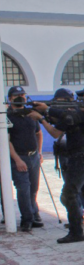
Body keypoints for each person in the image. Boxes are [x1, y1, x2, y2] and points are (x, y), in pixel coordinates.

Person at [36, 88, 84, 243]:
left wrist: (42, 118)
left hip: (80, 158)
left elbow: (56, 133)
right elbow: (61, 124)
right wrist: (46, 114)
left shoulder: (74, 113)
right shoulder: (72, 114)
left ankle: (76, 231)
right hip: (81, 157)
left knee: (69, 195)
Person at [6, 86, 43, 232]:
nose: (21, 97)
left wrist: (39, 152)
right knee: (23, 189)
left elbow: (39, 133)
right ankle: (27, 219)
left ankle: (35, 214)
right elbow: (6, 140)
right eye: (17, 95)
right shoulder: (7, 116)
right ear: (10, 99)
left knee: (33, 189)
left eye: (22, 94)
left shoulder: (30, 114)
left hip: (33, 156)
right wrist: (17, 159)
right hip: (19, 158)